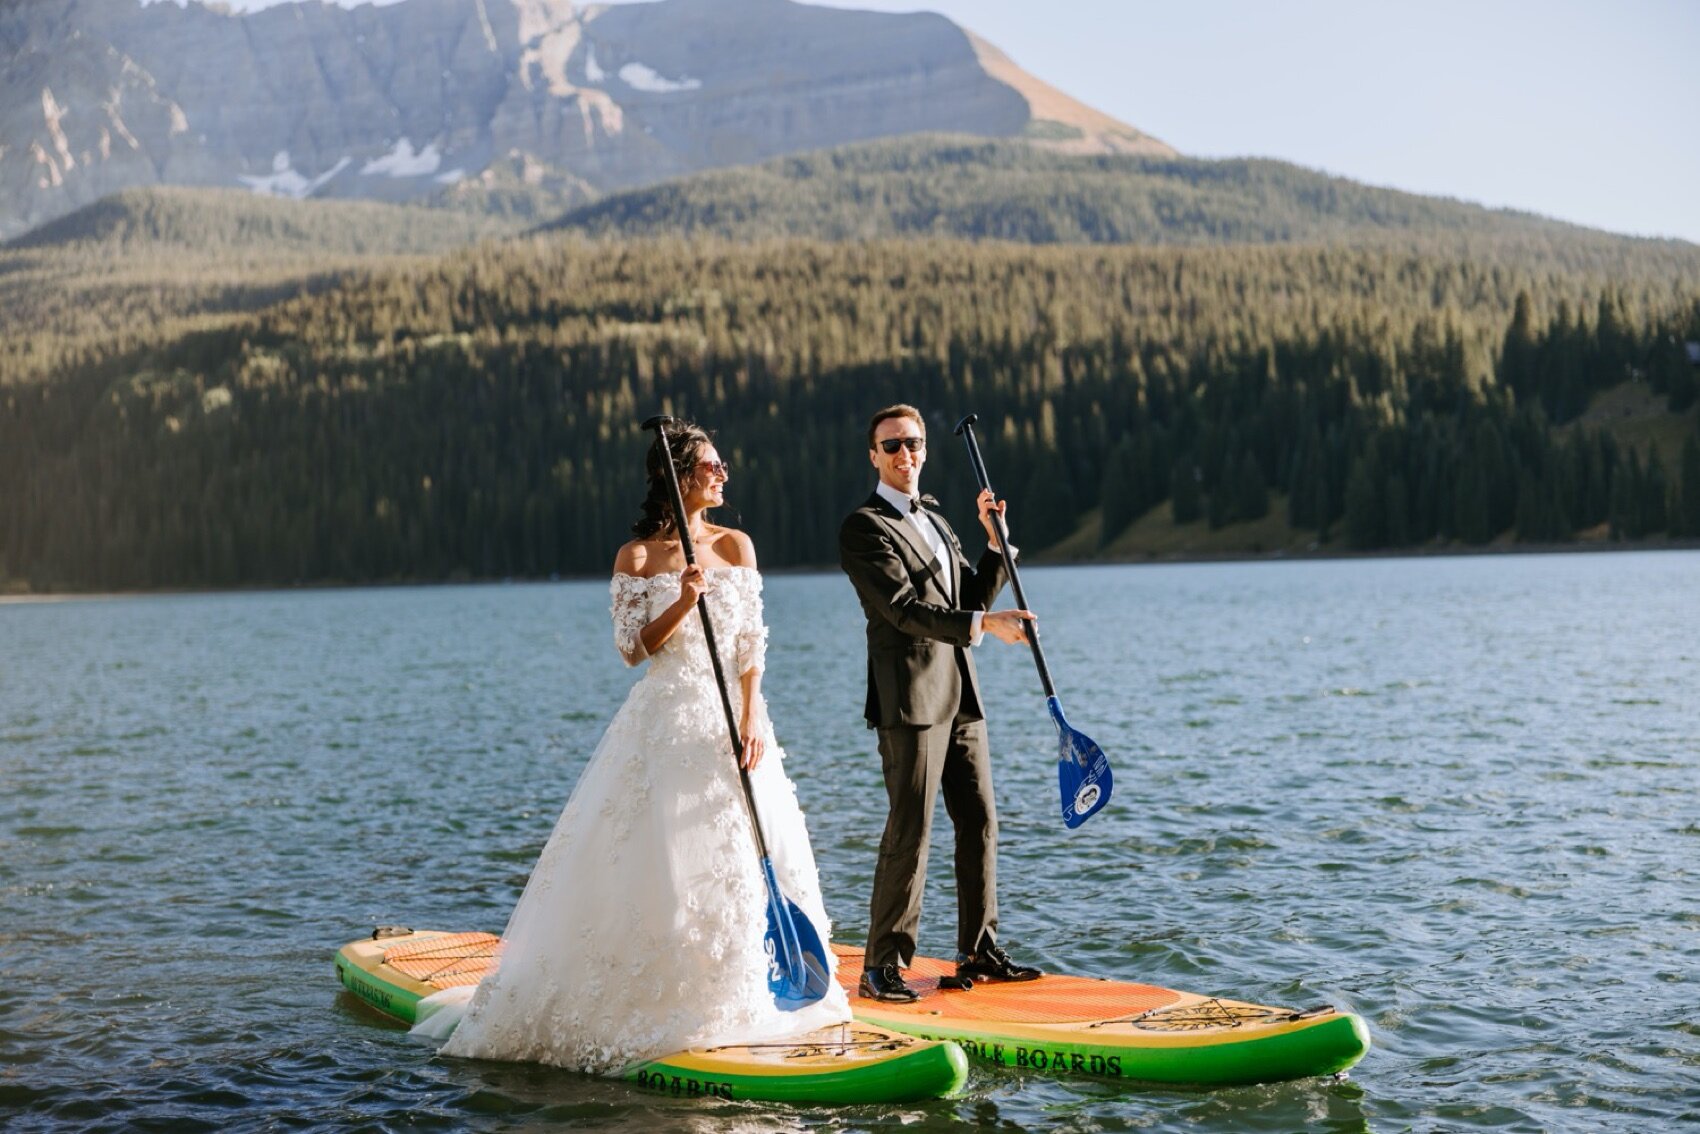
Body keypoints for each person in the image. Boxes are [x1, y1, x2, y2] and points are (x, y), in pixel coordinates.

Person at [415, 422, 851, 1070]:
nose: (724, 473)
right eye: (711, 464)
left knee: (750, 852)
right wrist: (682, 601)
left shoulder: (737, 545)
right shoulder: (637, 558)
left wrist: (753, 717)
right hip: (670, 718)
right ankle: (679, 1006)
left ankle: (762, 993)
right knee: (671, 863)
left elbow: (750, 644)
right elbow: (630, 650)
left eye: (722, 463)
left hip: (736, 724)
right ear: (677, 478)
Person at [838, 404, 1044, 1003]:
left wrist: (996, 547)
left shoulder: (935, 517)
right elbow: (903, 609)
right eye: (893, 445)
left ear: (926, 450)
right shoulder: (864, 527)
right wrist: (987, 623)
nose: (906, 455)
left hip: (961, 695)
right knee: (911, 830)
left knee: (980, 820)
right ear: (874, 456)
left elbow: (968, 595)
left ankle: (978, 949)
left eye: (914, 444)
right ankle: (881, 968)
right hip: (911, 702)